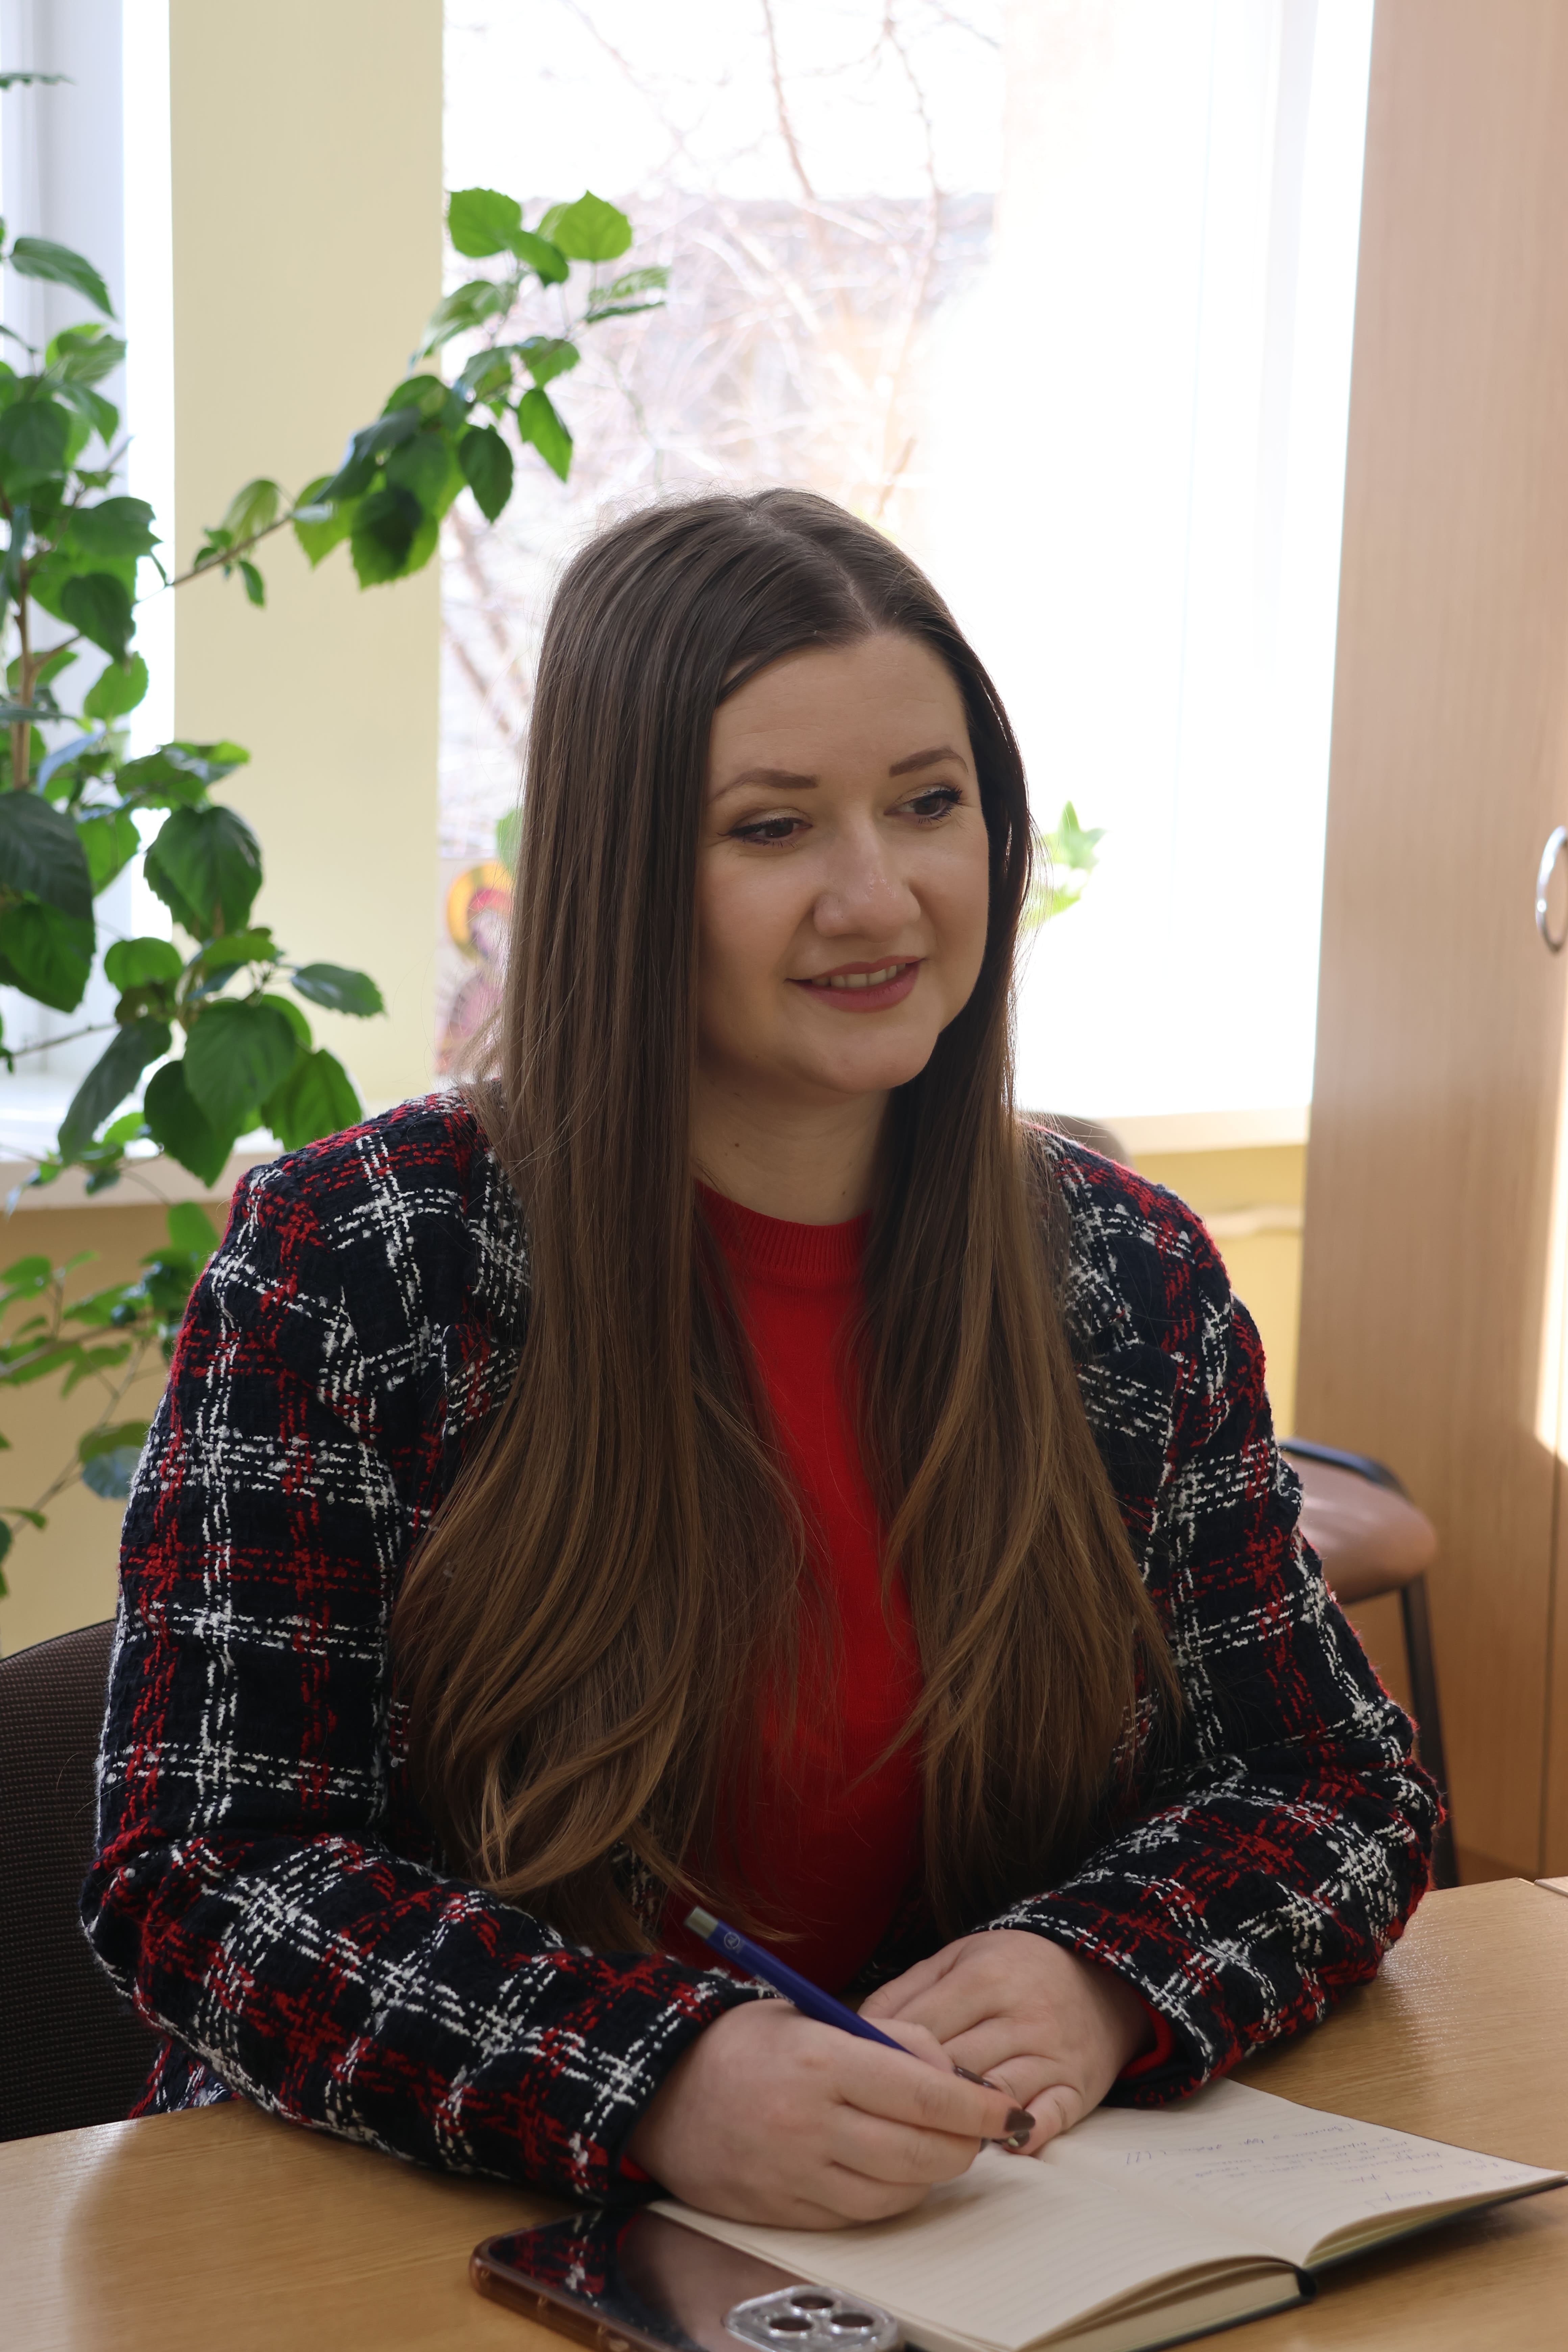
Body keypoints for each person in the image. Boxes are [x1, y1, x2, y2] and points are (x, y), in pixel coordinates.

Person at [83, 490, 1438, 2230]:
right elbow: (203, 1873)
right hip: (412, 2228)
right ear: (628, 872)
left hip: (954, 2225)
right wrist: (648, 2078)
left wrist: (1097, 1971)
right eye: (773, 826)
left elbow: (1335, 1785)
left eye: (927, 804)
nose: (877, 896)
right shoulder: (358, 1260)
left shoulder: (1124, 1276)